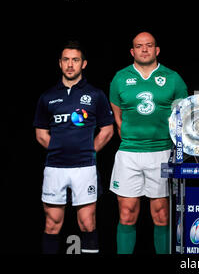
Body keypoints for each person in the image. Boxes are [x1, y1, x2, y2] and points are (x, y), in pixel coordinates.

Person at [109, 32, 188, 254]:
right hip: (129, 153)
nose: (144, 49)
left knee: (162, 215)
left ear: (157, 50)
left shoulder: (173, 78)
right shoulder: (120, 78)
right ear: (132, 51)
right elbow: (118, 118)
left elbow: (183, 116)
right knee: (126, 213)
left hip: (162, 152)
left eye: (149, 45)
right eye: (139, 46)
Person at [34, 40, 114, 254]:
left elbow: (107, 131)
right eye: (66, 60)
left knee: (88, 223)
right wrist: (60, 150)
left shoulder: (96, 95)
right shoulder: (47, 97)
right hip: (55, 168)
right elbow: (41, 134)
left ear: (84, 64)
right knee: (52, 224)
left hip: (84, 168)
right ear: (60, 63)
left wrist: (86, 151)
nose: (70, 65)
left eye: (75, 60)